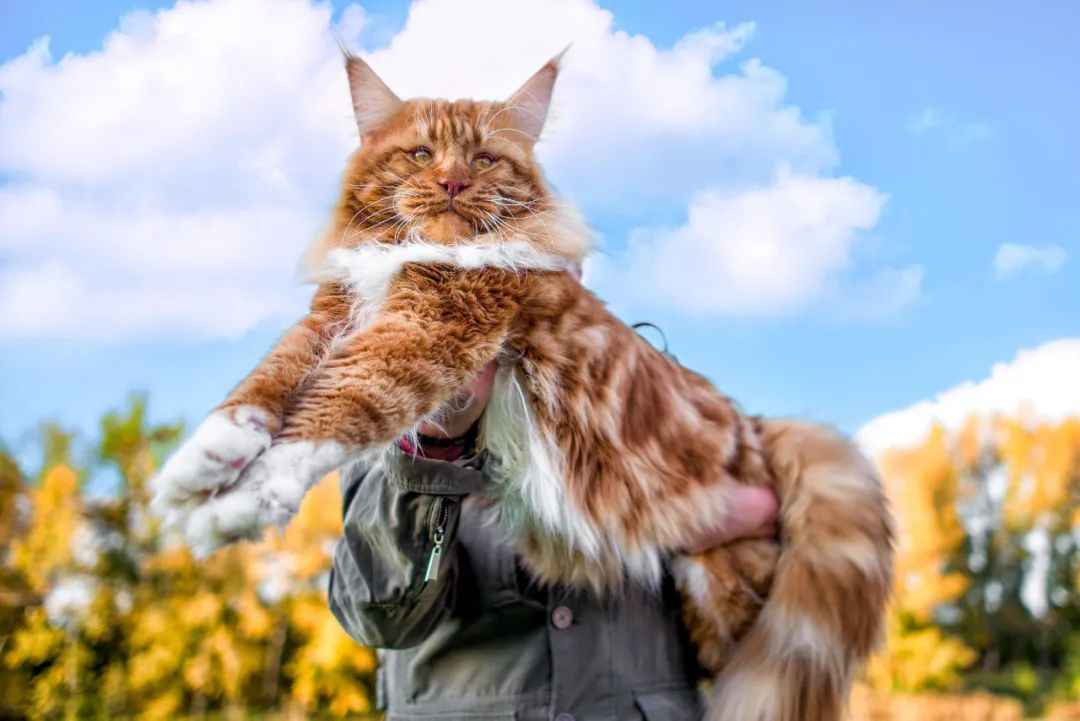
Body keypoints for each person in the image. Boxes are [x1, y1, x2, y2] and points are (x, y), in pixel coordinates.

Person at [328, 358, 779, 721]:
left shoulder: (656, 387)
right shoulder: (387, 389)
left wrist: (746, 513)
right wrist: (434, 439)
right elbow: (381, 616)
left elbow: (747, 633)